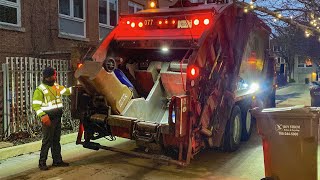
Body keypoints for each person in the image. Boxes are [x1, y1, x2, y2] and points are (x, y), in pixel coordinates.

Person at [32, 67, 72, 170]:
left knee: (56, 140)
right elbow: (36, 105)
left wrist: (78, 87)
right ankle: (42, 163)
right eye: (54, 75)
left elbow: (67, 91)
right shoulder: (40, 89)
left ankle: (57, 161)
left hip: (57, 118)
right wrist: (43, 116)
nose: (56, 76)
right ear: (48, 77)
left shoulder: (56, 86)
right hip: (48, 119)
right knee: (47, 141)